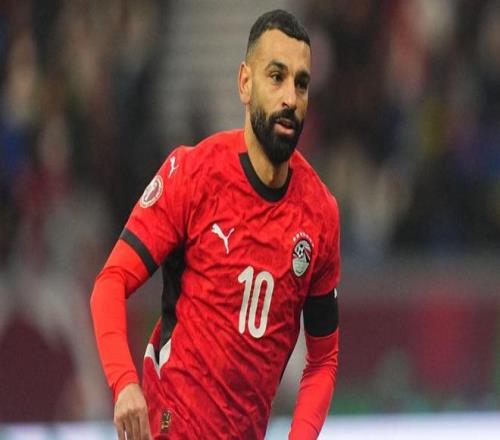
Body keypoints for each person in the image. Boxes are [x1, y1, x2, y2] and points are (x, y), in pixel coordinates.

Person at [90, 9, 340, 440]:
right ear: (245, 83)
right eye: (276, 77)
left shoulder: (320, 214)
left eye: (301, 83)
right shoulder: (194, 174)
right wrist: (124, 383)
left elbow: (323, 360)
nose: (290, 98)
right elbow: (110, 282)